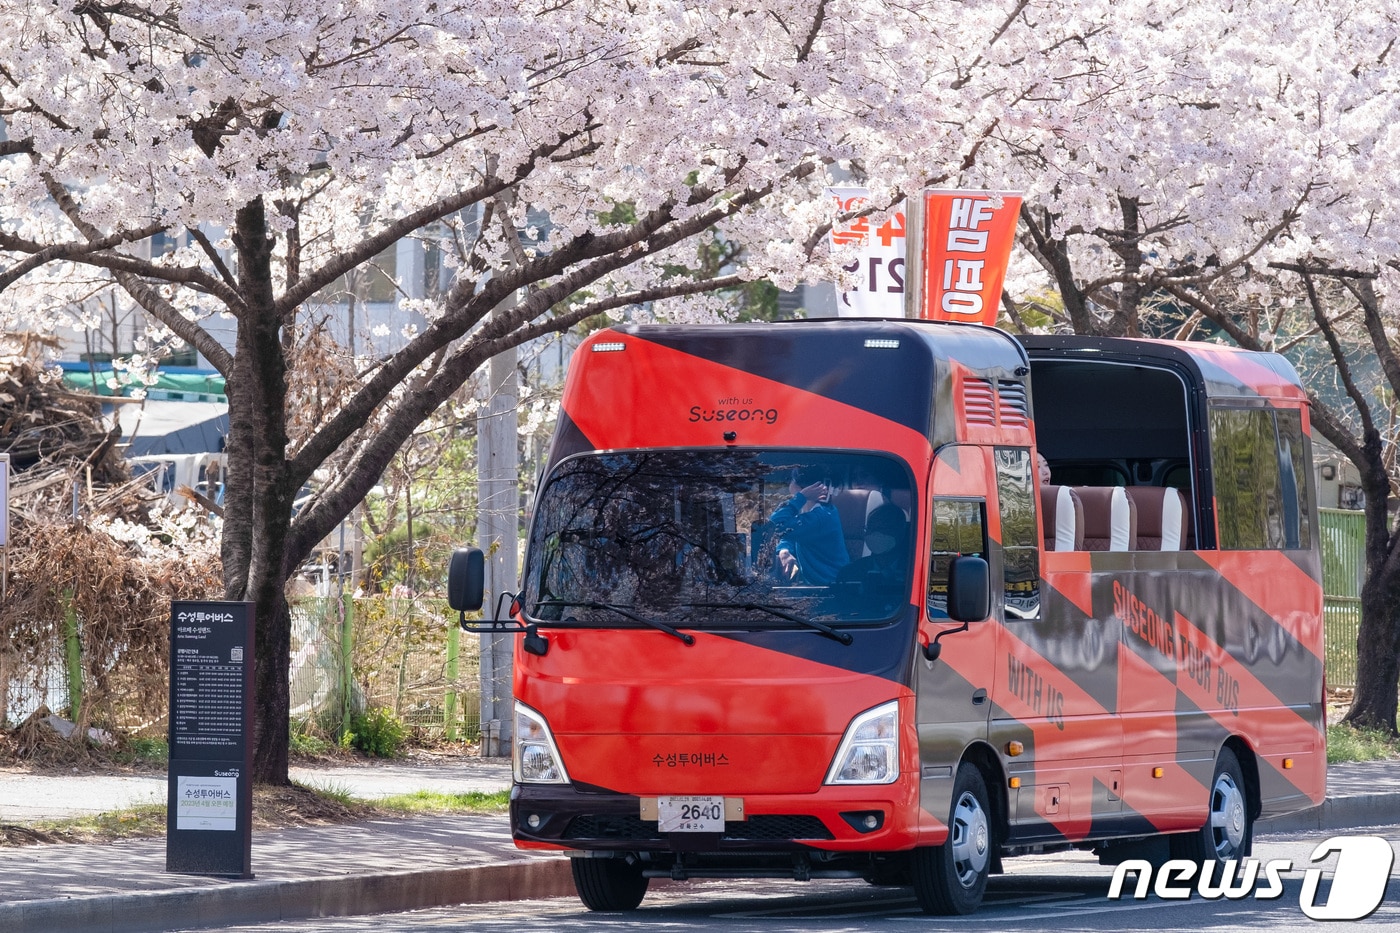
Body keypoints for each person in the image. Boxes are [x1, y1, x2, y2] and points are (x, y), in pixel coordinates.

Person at [768, 468, 849, 584]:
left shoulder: (821, 517)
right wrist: (784, 550)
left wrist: (800, 497)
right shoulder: (814, 513)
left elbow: (774, 526)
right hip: (818, 586)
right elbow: (790, 535)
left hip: (829, 590)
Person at [838, 503, 909, 587]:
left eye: (882, 528)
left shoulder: (912, 572)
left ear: (900, 532)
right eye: (871, 528)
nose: (875, 534)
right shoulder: (849, 573)